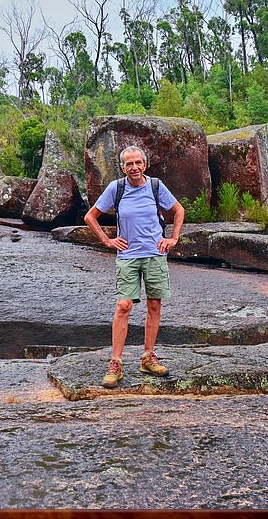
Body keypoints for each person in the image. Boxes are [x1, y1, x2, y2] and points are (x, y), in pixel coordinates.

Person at [84, 145, 185, 388]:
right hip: (128, 256)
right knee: (124, 305)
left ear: (145, 164)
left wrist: (173, 238)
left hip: (154, 253)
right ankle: (116, 362)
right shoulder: (116, 188)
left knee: (154, 303)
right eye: (129, 164)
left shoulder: (155, 186)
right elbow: (91, 216)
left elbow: (178, 209)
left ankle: (148, 357)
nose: (134, 167)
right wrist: (107, 240)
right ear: (123, 168)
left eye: (138, 162)